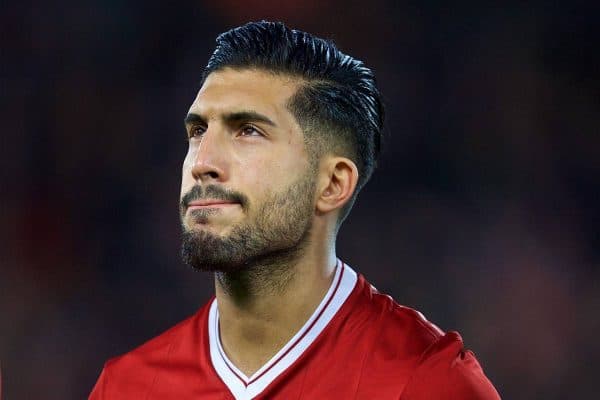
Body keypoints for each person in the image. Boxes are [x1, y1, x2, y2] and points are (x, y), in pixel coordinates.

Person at [89, 21, 500, 399]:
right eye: (198, 131)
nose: (202, 162)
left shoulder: (426, 382)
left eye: (248, 131)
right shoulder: (127, 386)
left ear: (333, 184)